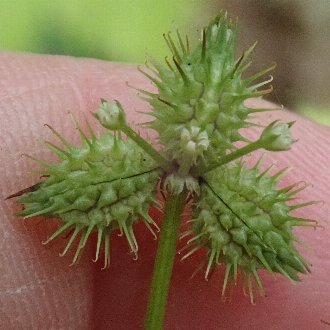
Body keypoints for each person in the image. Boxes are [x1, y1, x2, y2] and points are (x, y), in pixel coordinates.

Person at [1, 52, 329, 329]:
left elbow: (265, 239)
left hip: (224, 197)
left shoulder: (227, 197)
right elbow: (73, 189)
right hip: (150, 174)